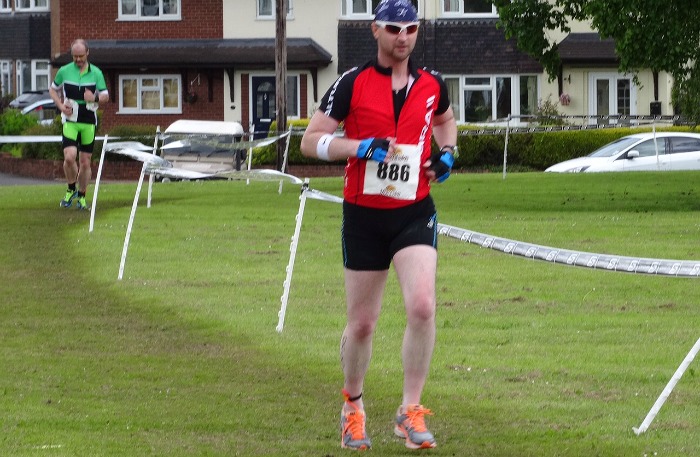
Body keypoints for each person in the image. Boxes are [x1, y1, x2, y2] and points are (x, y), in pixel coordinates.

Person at [300, 0, 458, 450]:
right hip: (364, 216)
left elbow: (446, 123)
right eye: (393, 28)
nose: (402, 37)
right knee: (363, 324)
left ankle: (410, 410)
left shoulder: (432, 85)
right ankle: (352, 405)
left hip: (414, 211)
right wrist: (358, 147)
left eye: (410, 29)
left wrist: (447, 156)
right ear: (375, 31)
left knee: (423, 306)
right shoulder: (351, 83)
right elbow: (312, 142)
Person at [49, 38, 108, 210]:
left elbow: (105, 96)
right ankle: (71, 188)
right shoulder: (64, 71)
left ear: (87, 53)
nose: (78, 60)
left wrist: (95, 98)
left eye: (81, 56)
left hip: (88, 119)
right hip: (71, 118)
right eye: (75, 56)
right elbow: (53, 89)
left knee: (85, 162)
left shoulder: (96, 72)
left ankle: (82, 196)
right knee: (69, 157)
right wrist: (60, 105)